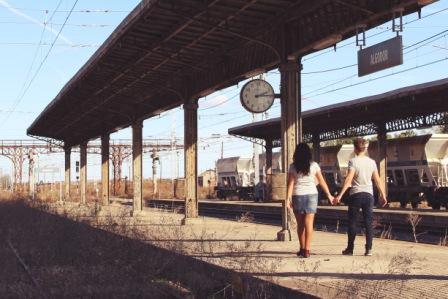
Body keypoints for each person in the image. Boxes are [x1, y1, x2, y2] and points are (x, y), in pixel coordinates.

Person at [335, 137, 388, 256]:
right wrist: (383, 195)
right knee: (368, 222)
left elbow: (349, 179)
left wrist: (340, 195)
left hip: (356, 194)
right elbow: (378, 180)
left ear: (354, 148)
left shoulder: (353, 161)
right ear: (365, 149)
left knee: (353, 222)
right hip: (369, 195)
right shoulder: (372, 162)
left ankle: (350, 249)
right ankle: (369, 249)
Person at [287, 143, 334, 258]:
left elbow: (291, 184)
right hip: (312, 195)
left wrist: (287, 199)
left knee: (300, 225)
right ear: (309, 153)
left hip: (297, 195)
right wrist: (329, 195)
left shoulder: (292, 166)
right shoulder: (314, 165)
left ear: (296, 154)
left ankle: (302, 249)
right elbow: (322, 181)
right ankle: (307, 250)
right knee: (309, 224)